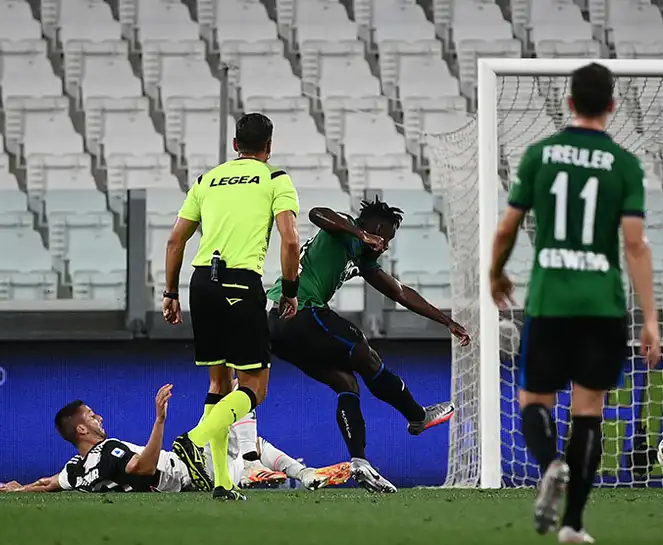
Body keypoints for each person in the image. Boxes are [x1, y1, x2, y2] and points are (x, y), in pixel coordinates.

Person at [489, 62, 661, 544]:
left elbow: (506, 228)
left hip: (550, 300)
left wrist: (495, 272)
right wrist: (650, 319)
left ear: (568, 103)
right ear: (611, 105)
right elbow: (635, 245)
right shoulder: (625, 164)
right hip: (603, 305)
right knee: (588, 412)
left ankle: (550, 466)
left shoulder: (540, 155)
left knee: (533, 401)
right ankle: (573, 525)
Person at [264, 199, 470, 493]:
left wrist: (446, 321)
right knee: (363, 351)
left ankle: (359, 462)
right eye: (386, 237)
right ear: (375, 228)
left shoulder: (363, 261)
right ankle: (416, 415)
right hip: (300, 311)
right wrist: (361, 235)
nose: (385, 245)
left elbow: (400, 292)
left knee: (346, 382)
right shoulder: (344, 228)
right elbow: (317, 213)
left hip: (280, 330)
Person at [161, 112, 301, 501]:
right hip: (241, 282)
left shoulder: (207, 179)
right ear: (268, 147)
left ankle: (222, 483)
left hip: (201, 282)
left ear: (235, 145)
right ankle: (192, 440)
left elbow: (176, 241)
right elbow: (290, 241)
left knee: (219, 384)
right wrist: (290, 289)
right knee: (255, 387)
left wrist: (170, 293)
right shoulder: (275, 179)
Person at [1, 389, 347, 493]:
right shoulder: (107, 451)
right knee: (240, 400)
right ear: (80, 430)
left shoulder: (77, 468)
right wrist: (159, 421)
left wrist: (17, 489)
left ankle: (296, 473)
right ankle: (258, 469)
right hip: (186, 467)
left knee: (239, 428)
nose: (99, 418)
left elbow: (50, 484)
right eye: (92, 415)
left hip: (188, 467)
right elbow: (143, 466)